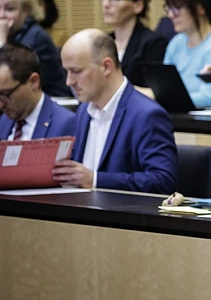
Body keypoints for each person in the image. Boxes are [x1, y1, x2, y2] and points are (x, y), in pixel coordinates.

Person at [52, 29, 177, 194]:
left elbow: (162, 181)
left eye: (76, 71)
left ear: (106, 67)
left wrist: (95, 180)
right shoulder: (83, 111)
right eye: (66, 72)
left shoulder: (147, 115)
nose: (69, 82)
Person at [0, 0, 71, 98]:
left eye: (9, 9)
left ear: (26, 10)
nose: (1, 15)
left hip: (51, 105)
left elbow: (10, 79)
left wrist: (1, 42)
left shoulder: (36, 37)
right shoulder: (12, 34)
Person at [100, 0, 168, 87]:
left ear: (138, 6)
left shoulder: (154, 43)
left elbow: (154, 91)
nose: (106, 4)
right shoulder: (103, 42)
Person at [0, 43, 75, 140]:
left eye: (6, 94)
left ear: (33, 81)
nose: (1, 105)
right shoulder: (4, 121)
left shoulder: (66, 124)